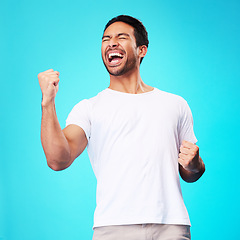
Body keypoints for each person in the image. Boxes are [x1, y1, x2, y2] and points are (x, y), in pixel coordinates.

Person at [38, 15, 205, 240]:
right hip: (113, 228)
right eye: (106, 38)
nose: (111, 43)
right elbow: (58, 160)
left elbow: (190, 173)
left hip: (171, 226)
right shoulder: (89, 108)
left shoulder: (175, 104)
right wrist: (48, 103)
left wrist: (194, 164)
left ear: (141, 50)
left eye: (121, 37)